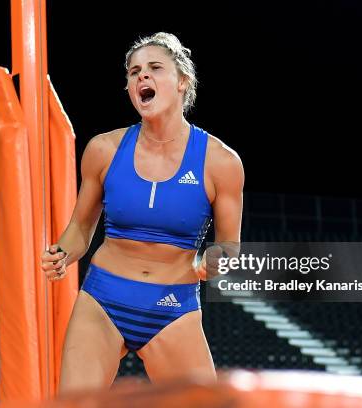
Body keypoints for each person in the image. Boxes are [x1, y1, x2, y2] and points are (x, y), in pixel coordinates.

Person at [41, 32, 244, 394]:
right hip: (103, 300)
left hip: (171, 308)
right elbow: (80, 229)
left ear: (183, 81)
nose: (141, 78)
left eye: (154, 68)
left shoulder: (221, 162)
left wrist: (215, 259)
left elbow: (229, 245)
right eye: (134, 72)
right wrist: (61, 253)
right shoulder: (104, 150)